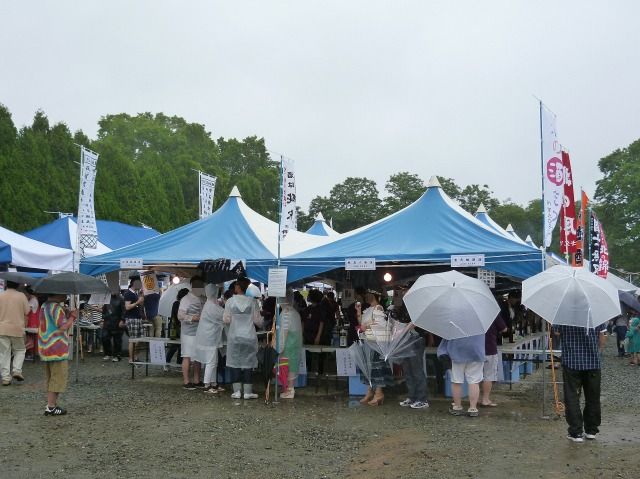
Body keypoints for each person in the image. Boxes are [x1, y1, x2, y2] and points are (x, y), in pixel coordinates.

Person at [554, 323, 607, 442]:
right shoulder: (595, 312)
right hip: (593, 362)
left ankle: (576, 431)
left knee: (572, 396)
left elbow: (556, 332)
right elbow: (602, 336)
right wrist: (598, 351)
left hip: (571, 362)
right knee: (593, 396)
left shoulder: (564, 315)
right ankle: (591, 430)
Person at [223, 277, 263, 400]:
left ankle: (236, 392)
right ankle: (247, 392)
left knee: (235, 363)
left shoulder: (230, 301)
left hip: (234, 336)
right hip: (249, 336)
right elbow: (258, 322)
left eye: (235, 285)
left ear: (238, 287)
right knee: (248, 363)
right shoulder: (252, 301)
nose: (234, 286)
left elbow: (226, 319)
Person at [38, 294, 77, 415]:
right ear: (57, 293)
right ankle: (50, 407)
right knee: (58, 378)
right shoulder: (56, 308)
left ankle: (52, 405)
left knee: (51, 378)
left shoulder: (44, 306)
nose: (65, 295)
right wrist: (72, 317)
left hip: (45, 347)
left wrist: (66, 313)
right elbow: (62, 327)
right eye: (63, 292)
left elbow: (52, 324)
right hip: (57, 349)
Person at [357, 291, 393, 406]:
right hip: (368, 340)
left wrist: (366, 325)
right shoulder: (368, 309)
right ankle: (370, 391)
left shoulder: (378, 308)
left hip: (376, 342)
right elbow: (361, 323)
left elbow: (381, 324)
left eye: (369, 295)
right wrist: (358, 312)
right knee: (369, 367)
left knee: (376, 367)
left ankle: (378, 393)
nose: (367, 297)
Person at [437, 333, 485, 417]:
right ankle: (473, 408)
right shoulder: (480, 322)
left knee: (456, 380)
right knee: (474, 381)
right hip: (476, 351)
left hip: (457, 351)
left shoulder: (455, 320)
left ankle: (457, 407)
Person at [194, 284, 225, 394]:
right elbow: (223, 316)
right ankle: (207, 385)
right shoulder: (212, 306)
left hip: (209, 337)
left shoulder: (210, 304)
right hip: (209, 338)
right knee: (211, 362)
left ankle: (213, 383)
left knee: (213, 362)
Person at [0, 281, 31, 385]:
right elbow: (27, 311)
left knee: (4, 353)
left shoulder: (1, 295)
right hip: (17, 328)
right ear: (17, 285)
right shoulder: (21, 296)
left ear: (5, 285)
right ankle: (17, 370)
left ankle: (5, 378)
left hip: (2, 328)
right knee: (20, 350)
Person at [178, 276, 206, 390]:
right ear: (192, 285)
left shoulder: (203, 299)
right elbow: (180, 316)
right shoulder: (186, 299)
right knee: (187, 356)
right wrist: (193, 318)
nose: (200, 287)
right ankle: (186, 381)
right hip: (188, 333)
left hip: (199, 332)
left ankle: (197, 380)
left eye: (201, 285)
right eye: (198, 285)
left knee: (198, 357)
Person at [277, 289, 303, 399]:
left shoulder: (286, 314)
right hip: (295, 345)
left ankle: (289, 390)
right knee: (292, 367)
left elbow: (284, 332)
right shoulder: (295, 312)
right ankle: (290, 389)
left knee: (286, 368)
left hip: (288, 345)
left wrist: (280, 347)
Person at [481, 314, 508, 407]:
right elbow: (504, 329)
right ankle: (485, 399)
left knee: (474, 377)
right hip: (489, 348)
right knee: (488, 375)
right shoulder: (492, 313)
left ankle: (473, 400)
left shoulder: (472, 313)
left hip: (475, 349)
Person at [123, 276, 145, 363]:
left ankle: (135, 357)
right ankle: (131, 359)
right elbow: (127, 307)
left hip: (137, 318)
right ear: (133, 283)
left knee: (138, 339)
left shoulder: (135, 293)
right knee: (133, 339)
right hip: (132, 319)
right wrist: (138, 302)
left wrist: (140, 299)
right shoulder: (128, 293)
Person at [165, 288, 189, 366]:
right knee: (174, 346)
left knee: (181, 346)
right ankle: (167, 362)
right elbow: (178, 316)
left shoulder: (184, 304)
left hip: (182, 328)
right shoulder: (177, 303)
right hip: (175, 328)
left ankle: (179, 363)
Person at [102, 291, 124, 361]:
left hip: (117, 322)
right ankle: (108, 354)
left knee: (117, 340)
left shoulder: (121, 299)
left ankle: (117, 355)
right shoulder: (107, 299)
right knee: (104, 338)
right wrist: (102, 319)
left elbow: (124, 311)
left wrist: (122, 320)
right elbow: (104, 310)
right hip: (107, 322)